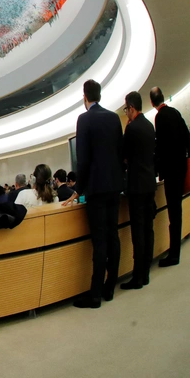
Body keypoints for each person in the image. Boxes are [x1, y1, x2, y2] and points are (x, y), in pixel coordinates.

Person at [64, 80, 124, 309]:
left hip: (96, 190)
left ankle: (95, 294)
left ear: (84, 97)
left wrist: (78, 190)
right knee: (113, 236)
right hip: (114, 186)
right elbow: (120, 152)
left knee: (99, 242)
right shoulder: (114, 118)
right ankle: (110, 287)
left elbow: (84, 159)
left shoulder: (84, 119)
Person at [150, 86, 190, 267]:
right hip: (181, 168)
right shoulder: (175, 113)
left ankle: (174, 255)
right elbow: (187, 137)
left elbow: (162, 147)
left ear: (152, 102)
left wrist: (158, 170)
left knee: (173, 213)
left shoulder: (160, 117)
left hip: (171, 171)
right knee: (178, 212)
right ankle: (176, 251)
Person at [121, 91, 157, 289]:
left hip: (136, 186)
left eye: (126, 109)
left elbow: (124, 156)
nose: (126, 113)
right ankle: (146, 273)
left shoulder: (132, 128)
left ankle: (138, 277)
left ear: (131, 108)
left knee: (138, 233)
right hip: (149, 184)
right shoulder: (149, 125)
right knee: (148, 229)